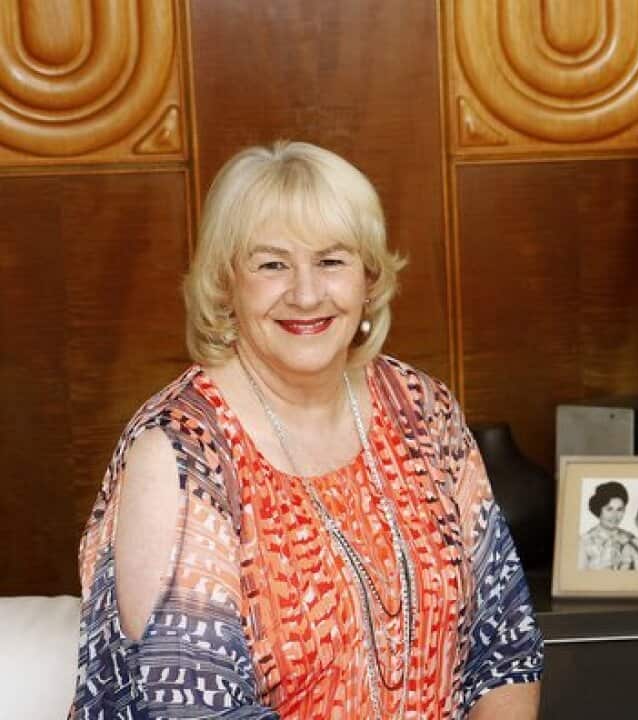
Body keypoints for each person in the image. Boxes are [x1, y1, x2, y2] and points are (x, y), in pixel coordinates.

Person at [69, 141, 543, 719]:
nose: (307, 293)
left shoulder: (422, 409)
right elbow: (196, 711)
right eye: (272, 264)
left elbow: (503, 645)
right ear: (226, 283)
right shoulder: (181, 455)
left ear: (368, 277)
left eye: (331, 260)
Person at [579, 480, 634, 570]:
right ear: (598, 509)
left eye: (620, 509)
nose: (615, 515)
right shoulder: (584, 541)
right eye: (609, 509)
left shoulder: (630, 538)